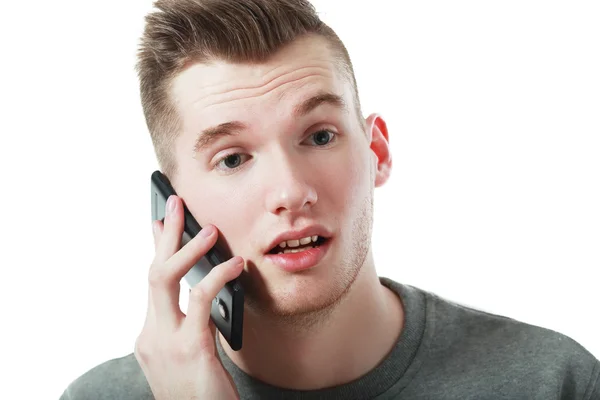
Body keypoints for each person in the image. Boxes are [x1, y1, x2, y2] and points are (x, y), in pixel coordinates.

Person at [59, 0, 599, 399]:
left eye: (319, 136)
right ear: (173, 208)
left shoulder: (556, 383)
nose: (292, 190)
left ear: (377, 151)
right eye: (232, 158)